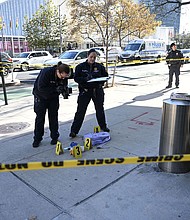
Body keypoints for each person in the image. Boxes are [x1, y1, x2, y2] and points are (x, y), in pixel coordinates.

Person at [69, 48, 110, 138]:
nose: (92, 59)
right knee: (80, 111)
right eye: (91, 57)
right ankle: (74, 131)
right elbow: (76, 78)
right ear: (87, 56)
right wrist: (85, 79)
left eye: (94, 57)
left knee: (100, 110)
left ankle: (103, 126)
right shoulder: (80, 67)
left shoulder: (99, 67)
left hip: (97, 91)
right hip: (85, 91)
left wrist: (100, 80)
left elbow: (105, 76)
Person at [32, 62, 70, 148]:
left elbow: (63, 86)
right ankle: (37, 138)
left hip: (53, 98)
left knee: (53, 117)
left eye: (65, 77)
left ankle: (54, 136)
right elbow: (41, 88)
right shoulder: (46, 73)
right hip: (41, 97)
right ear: (58, 72)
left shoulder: (64, 77)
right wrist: (55, 89)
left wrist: (64, 92)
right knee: (40, 118)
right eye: (62, 76)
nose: (63, 78)